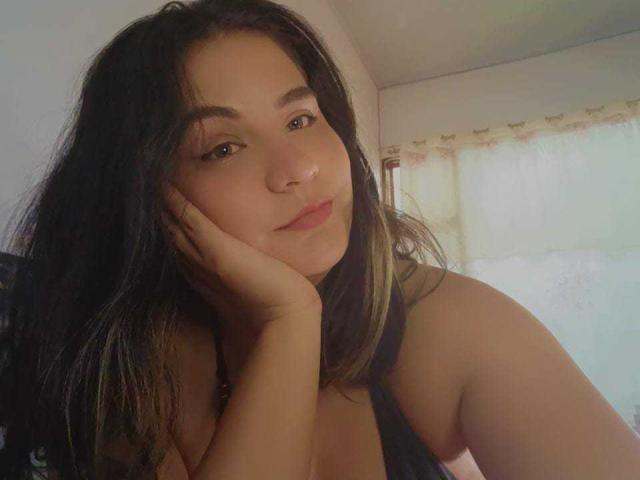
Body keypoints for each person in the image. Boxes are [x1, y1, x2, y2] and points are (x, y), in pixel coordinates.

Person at [1, 1, 639, 479]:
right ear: (146, 197)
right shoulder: (118, 363)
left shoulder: (449, 323)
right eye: (223, 148)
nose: (300, 169)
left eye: (301, 118)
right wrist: (289, 324)